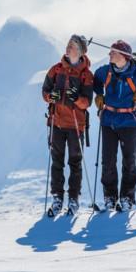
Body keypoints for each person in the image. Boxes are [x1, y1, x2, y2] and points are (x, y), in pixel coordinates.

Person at [93, 40, 136, 211]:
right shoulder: (105, 71)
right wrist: (99, 94)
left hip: (129, 122)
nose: (109, 55)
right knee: (108, 162)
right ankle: (110, 198)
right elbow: (95, 78)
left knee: (129, 162)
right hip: (108, 121)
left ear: (123, 56)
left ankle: (127, 199)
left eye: (113, 52)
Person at [42, 35, 94, 215]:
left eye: (72, 46)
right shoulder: (55, 70)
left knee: (74, 163)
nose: (68, 48)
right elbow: (45, 93)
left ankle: (73, 198)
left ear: (80, 51)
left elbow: (87, 102)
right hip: (57, 122)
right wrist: (52, 97)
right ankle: (57, 197)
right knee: (57, 162)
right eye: (68, 45)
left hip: (75, 124)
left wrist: (76, 98)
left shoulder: (86, 74)